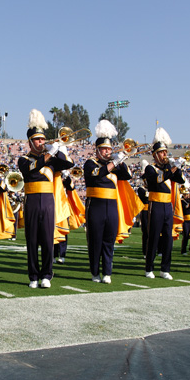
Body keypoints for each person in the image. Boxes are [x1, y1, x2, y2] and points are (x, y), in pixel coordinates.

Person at [18, 109, 74, 288]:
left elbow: (68, 163)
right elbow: (31, 168)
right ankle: (33, 276)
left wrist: (58, 150)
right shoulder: (23, 159)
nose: (41, 142)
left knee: (48, 240)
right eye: (37, 139)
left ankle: (47, 275)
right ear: (30, 142)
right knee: (32, 240)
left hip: (49, 202)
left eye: (43, 139)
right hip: (32, 201)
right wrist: (49, 154)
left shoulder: (51, 158)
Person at [82, 120, 135, 283]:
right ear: (97, 150)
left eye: (109, 149)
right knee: (95, 241)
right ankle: (95, 272)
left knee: (109, 240)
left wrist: (121, 159)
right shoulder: (90, 163)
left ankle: (107, 272)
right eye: (104, 149)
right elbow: (98, 173)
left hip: (112, 207)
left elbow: (128, 175)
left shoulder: (116, 165)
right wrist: (114, 162)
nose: (107, 152)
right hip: (95, 206)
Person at [142, 128, 185, 280]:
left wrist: (177, 167)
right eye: (161, 152)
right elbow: (159, 179)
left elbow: (181, 180)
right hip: (155, 204)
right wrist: (172, 168)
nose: (164, 155)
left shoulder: (168, 167)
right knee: (153, 237)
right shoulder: (150, 168)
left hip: (168, 206)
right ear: (155, 155)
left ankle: (165, 269)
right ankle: (149, 268)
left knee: (168, 237)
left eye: (165, 152)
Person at [180, 182, 190, 256]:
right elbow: (186, 207)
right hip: (186, 220)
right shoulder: (182, 201)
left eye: (187, 194)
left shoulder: (188, 200)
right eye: (185, 194)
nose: (187, 196)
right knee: (186, 235)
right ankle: (183, 250)